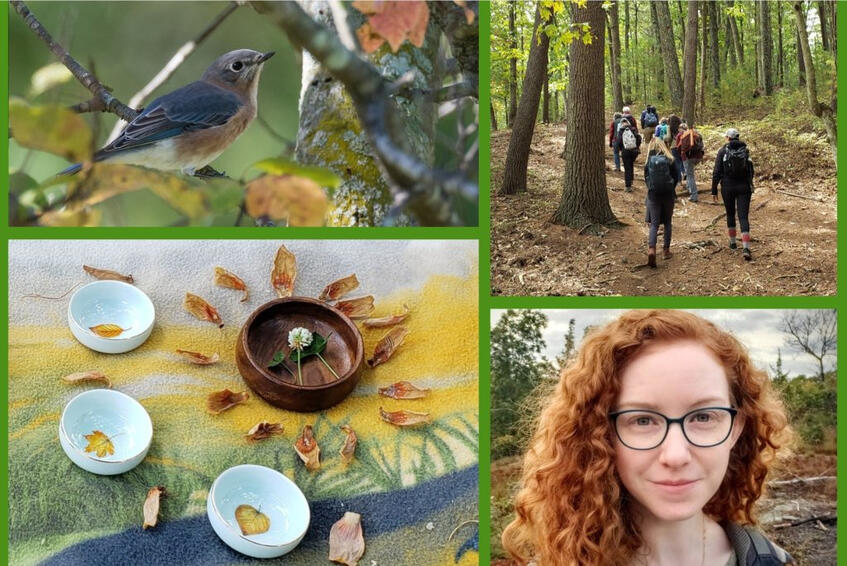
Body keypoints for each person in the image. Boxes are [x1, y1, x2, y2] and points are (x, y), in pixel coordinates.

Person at [501, 310, 794, 566]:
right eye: (642, 420)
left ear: (736, 428)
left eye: (703, 417)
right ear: (600, 434)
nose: (676, 455)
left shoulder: (771, 560)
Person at [712, 128, 755, 261]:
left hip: (728, 187)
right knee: (743, 217)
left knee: (730, 214)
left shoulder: (722, 151)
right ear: (737, 137)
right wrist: (749, 183)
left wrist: (714, 189)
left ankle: (732, 243)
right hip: (744, 187)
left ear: (727, 138)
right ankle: (746, 247)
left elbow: (716, 172)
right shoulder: (745, 150)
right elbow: (751, 170)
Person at [643, 137, 680, 267]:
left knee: (654, 224)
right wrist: (670, 187)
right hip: (668, 195)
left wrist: (652, 189)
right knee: (668, 222)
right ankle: (666, 251)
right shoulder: (670, 159)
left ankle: (651, 250)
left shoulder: (648, 161)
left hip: (653, 195)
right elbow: (677, 177)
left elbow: (646, 178)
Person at [677, 123, 705, 202]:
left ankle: (694, 196)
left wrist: (681, 155)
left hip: (687, 157)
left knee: (690, 175)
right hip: (698, 156)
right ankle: (689, 188)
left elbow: (678, 147)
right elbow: (702, 145)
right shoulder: (696, 133)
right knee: (690, 173)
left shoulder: (681, 135)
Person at [615, 106, 641, 192]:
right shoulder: (633, 129)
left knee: (627, 167)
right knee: (631, 165)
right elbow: (639, 138)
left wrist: (620, 149)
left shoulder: (621, 131)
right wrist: (637, 147)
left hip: (625, 151)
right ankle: (631, 180)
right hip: (634, 151)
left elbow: (618, 142)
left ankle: (628, 186)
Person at [667, 114, 684, 181]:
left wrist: (668, 143)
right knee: (683, 160)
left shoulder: (669, 127)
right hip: (683, 145)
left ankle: (679, 179)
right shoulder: (682, 126)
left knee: (677, 162)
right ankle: (684, 172)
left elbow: (668, 138)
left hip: (674, 146)